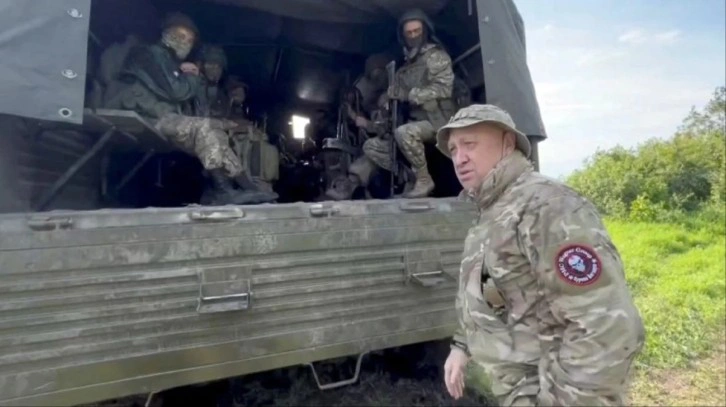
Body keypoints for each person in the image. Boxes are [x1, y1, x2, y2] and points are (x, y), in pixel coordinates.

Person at [436, 104, 645, 406]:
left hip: (546, 391)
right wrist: (462, 345)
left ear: (508, 143)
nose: (459, 158)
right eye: (454, 149)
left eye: (470, 144)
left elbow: (604, 329)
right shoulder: (492, 210)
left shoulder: (547, 207)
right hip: (514, 388)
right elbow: (493, 290)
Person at [102, 12, 269, 205]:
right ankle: (225, 191)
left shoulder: (169, 60)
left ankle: (245, 188)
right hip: (143, 113)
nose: (185, 42)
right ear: (166, 34)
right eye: (180, 35)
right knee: (204, 128)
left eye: (189, 40)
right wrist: (191, 75)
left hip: (159, 116)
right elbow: (177, 92)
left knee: (213, 131)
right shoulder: (148, 54)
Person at [364, 8, 456, 198]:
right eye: (409, 33)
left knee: (404, 133)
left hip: (437, 120)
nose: (413, 36)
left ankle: (424, 180)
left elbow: (443, 89)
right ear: (403, 36)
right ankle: (410, 178)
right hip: (412, 121)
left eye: (417, 31)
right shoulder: (404, 66)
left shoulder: (436, 56)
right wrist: (386, 101)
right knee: (372, 146)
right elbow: (395, 94)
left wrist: (408, 95)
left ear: (425, 31)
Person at [195, 44, 230, 118]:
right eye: (210, 64)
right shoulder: (191, 87)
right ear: (200, 65)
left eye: (219, 66)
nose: (215, 69)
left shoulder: (221, 92)